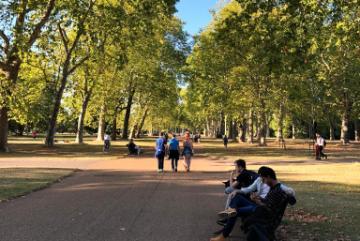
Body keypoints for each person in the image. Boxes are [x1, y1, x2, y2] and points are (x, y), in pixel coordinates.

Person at [211, 167, 295, 241]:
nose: (263, 182)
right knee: (237, 199)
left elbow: (268, 209)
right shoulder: (273, 187)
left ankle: (224, 232)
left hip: (262, 213)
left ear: (269, 177)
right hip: (260, 208)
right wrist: (257, 199)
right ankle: (229, 216)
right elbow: (267, 201)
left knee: (234, 212)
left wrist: (258, 202)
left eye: (264, 179)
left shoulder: (278, 189)